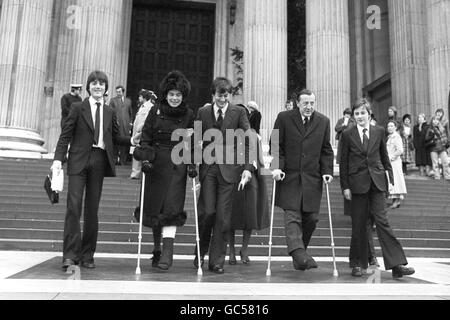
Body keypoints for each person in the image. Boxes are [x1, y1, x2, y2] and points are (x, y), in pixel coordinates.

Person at [51, 70, 135, 270]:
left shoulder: (109, 111)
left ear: (106, 88)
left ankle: (87, 254)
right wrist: (57, 159)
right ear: (88, 87)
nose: (98, 86)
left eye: (101, 84)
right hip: (78, 160)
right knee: (73, 206)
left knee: (92, 210)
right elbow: (65, 135)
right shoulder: (77, 108)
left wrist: (132, 140)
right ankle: (70, 255)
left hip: (99, 161)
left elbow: (115, 137)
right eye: (94, 83)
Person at [340, 98, 415, 279]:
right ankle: (357, 263)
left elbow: (384, 156)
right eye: (356, 113)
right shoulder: (347, 134)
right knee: (359, 224)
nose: (359, 116)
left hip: (377, 182)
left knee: (382, 221)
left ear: (369, 114)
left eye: (362, 113)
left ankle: (397, 265)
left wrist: (389, 177)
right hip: (357, 184)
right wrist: (345, 187)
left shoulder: (379, 131)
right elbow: (343, 163)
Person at [133, 70, 196, 271]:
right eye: (171, 94)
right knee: (155, 208)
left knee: (171, 208)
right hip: (156, 164)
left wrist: (193, 162)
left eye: (178, 95)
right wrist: (145, 157)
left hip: (177, 164)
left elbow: (192, 142)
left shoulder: (189, 114)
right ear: (166, 95)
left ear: (183, 96)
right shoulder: (155, 111)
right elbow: (146, 137)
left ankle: (168, 253)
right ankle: (157, 248)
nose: (175, 98)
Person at [193, 77, 253, 274]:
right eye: (219, 95)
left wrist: (247, 168)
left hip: (230, 171)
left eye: (226, 95)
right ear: (213, 94)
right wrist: (192, 164)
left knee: (223, 217)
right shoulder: (203, 112)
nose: (222, 99)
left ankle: (216, 260)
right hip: (208, 169)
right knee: (207, 212)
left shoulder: (239, 112)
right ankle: (200, 252)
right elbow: (195, 139)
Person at [270, 89, 334, 271]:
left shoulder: (323, 121)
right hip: (289, 177)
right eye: (305, 103)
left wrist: (327, 170)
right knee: (292, 215)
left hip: (312, 180)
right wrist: (276, 167)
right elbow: (275, 144)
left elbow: (326, 150)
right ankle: (298, 253)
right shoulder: (284, 118)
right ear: (297, 103)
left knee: (311, 219)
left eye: (312, 103)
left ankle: (301, 254)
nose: (309, 107)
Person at [229, 102, 269, 265]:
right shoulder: (228, 133)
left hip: (250, 175)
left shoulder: (253, 134)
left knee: (250, 215)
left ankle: (244, 249)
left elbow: (258, 158)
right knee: (230, 215)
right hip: (230, 176)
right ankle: (231, 250)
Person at [130, 89, 157, 180]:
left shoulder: (150, 107)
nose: (139, 98)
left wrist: (140, 131)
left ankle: (139, 173)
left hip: (142, 133)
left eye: (140, 96)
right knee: (137, 152)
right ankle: (135, 173)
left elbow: (147, 121)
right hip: (136, 134)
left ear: (144, 97)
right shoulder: (141, 106)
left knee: (143, 152)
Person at [386, 120, 407, 209]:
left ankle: (396, 201)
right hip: (390, 162)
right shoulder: (389, 137)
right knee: (392, 181)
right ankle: (395, 201)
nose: (389, 128)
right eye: (388, 126)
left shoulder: (397, 137)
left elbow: (400, 150)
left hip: (394, 162)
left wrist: (391, 157)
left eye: (391, 126)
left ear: (395, 127)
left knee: (396, 181)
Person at [110, 85, 133, 165]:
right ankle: (115, 160)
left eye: (119, 92)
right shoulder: (113, 100)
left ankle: (123, 160)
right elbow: (111, 112)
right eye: (117, 92)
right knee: (115, 142)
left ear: (123, 92)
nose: (118, 93)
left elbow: (130, 113)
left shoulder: (128, 101)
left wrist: (130, 124)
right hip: (116, 125)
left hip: (126, 126)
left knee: (125, 143)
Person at [425, 116, 450, 181]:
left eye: (437, 120)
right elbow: (426, 138)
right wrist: (432, 136)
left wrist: (446, 144)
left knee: (445, 162)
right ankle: (437, 177)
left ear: (439, 121)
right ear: (432, 121)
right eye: (434, 120)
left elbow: (446, 138)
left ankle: (447, 176)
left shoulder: (442, 128)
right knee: (435, 163)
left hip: (442, 147)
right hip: (433, 148)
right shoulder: (430, 129)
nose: (435, 121)